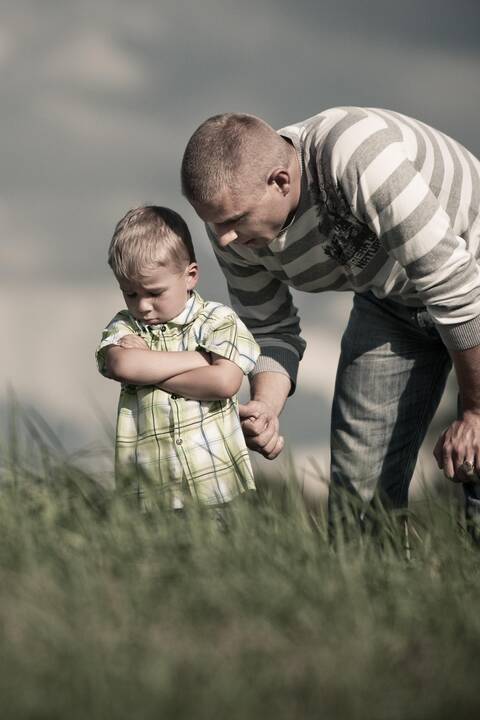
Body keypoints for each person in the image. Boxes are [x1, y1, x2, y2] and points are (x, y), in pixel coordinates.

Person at [181, 106, 480, 530]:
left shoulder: (356, 156)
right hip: (392, 301)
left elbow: (456, 287)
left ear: (281, 181)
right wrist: (265, 406)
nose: (224, 238)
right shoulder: (230, 230)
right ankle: (373, 589)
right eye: (213, 223)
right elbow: (269, 328)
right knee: (358, 496)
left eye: (233, 220)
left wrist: (475, 412)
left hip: (471, 277)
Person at [96, 205, 260, 511]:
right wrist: (200, 359)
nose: (143, 306)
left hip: (218, 488)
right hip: (149, 495)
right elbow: (122, 364)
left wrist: (150, 364)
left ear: (190, 276)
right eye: (130, 294)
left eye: (154, 293)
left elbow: (224, 382)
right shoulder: (124, 326)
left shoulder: (217, 320)